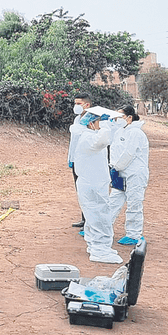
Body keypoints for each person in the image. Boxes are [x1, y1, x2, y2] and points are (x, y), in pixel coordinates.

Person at [72, 110, 123, 264]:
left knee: (96, 217)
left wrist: (109, 124)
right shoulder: (88, 138)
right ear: (91, 123)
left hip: (94, 183)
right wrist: (106, 125)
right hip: (92, 184)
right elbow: (103, 140)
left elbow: (108, 137)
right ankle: (100, 250)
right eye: (100, 122)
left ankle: (96, 245)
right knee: (100, 217)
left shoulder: (90, 135)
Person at [109, 105, 149, 246]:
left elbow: (129, 154)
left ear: (129, 117)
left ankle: (133, 234)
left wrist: (117, 167)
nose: (117, 119)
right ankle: (103, 228)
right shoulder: (120, 131)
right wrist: (114, 167)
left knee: (134, 203)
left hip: (134, 174)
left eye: (120, 116)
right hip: (120, 173)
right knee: (113, 201)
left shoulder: (136, 133)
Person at [67, 93, 92, 229]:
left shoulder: (92, 120)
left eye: (78, 103)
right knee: (80, 191)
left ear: (87, 104)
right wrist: (70, 158)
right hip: (76, 159)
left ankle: (90, 221)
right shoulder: (77, 119)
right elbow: (74, 142)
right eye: (75, 103)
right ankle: (84, 218)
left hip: (86, 161)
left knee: (88, 191)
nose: (76, 106)